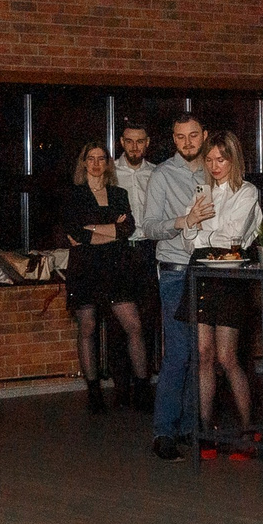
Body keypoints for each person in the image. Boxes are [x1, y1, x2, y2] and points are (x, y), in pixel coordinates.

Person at [172, 132, 263, 452]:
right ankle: (205, 429)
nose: (215, 166)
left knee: (227, 357)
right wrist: (194, 224)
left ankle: (247, 428)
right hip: (199, 273)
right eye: (209, 160)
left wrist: (198, 229)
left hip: (229, 277)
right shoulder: (202, 191)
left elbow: (233, 238)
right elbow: (186, 240)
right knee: (203, 355)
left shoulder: (247, 192)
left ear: (233, 159)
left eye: (220, 160)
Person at [59, 141, 149, 413]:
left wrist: (95, 230)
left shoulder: (119, 193)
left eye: (102, 158)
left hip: (116, 266)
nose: (97, 163)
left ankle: (143, 390)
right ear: (83, 162)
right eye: (91, 158)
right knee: (87, 327)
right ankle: (94, 392)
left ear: (108, 163)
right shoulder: (73, 195)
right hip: (85, 268)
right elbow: (77, 234)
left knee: (134, 325)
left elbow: (127, 230)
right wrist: (112, 228)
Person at [141, 114, 208, 460]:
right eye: (180, 137)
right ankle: (164, 432)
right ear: (173, 139)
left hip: (210, 269)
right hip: (176, 270)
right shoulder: (162, 174)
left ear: (204, 136)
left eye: (193, 135)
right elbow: (149, 227)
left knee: (204, 353)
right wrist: (183, 221)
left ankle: (191, 427)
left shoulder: (214, 169)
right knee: (179, 352)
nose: (187, 143)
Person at [111, 121, 161, 402]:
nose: (134, 147)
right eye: (129, 141)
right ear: (121, 142)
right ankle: (121, 387)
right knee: (120, 323)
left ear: (147, 143)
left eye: (140, 141)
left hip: (146, 250)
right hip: (118, 250)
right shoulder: (110, 173)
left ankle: (143, 385)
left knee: (147, 318)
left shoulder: (156, 173)